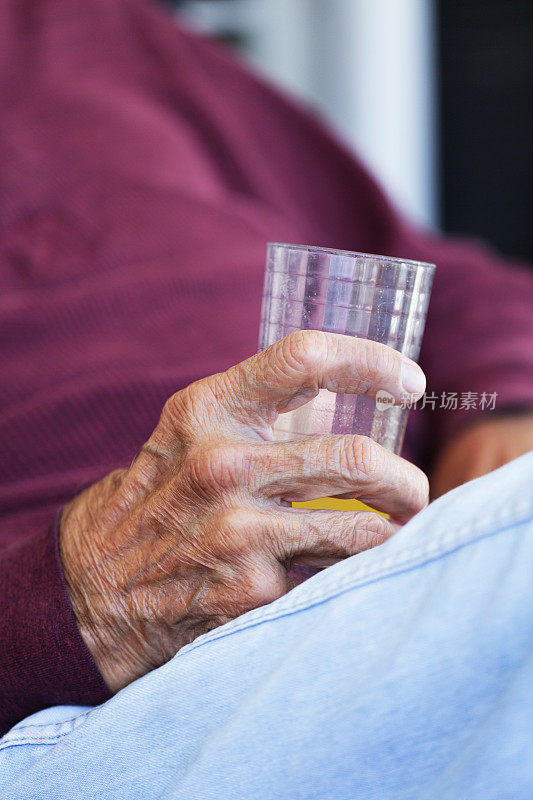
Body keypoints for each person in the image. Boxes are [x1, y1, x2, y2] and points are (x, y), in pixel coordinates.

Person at [0, 0, 532, 777]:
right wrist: (79, 602)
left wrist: (505, 411)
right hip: (82, 713)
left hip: (373, 588)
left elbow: (441, 279)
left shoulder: (89, 28)